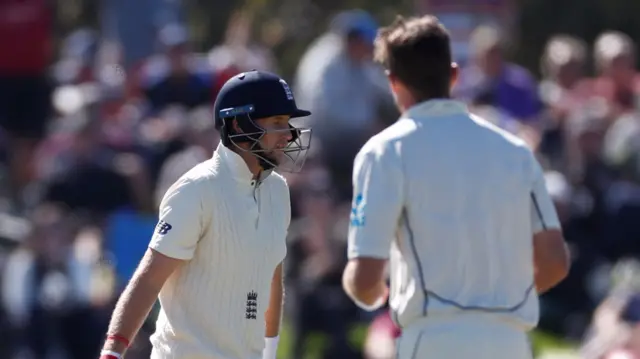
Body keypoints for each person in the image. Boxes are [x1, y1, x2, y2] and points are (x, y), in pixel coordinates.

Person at [341, 15, 570, 359]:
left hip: (433, 341)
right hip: (509, 344)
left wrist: (366, 289)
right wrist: (497, 302)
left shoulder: (384, 152)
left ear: (393, 83)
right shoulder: (516, 152)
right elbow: (554, 261)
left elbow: (365, 280)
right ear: (453, 74)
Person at [99, 70, 312, 359]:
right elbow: (149, 279)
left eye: (288, 124)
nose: (288, 135)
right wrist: (112, 352)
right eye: (277, 123)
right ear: (238, 125)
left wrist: (270, 353)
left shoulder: (278, 191)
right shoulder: (196, 189)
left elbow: (271, 277)